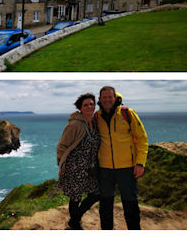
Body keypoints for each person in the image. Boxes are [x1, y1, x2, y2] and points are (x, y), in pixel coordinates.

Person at [95, 86, 149, 230]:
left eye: (110, 97)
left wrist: (140, 163)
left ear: (115, 98)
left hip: (127, 168)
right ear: (99, 99)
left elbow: (142, 139)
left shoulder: (127, 113)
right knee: (105, 207)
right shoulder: (96, 116)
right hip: (105, 169)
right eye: (104, 97)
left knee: (130, 205)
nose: (107, 100)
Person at [57, 93, 100, 230]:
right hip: (75, 168)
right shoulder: (75, 125)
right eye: (86, 104)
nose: (89, 106)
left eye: (91, 104)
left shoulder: (95, 123)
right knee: (75, 198)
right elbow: (62, 146)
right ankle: (75, 225)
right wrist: (61, 164)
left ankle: (74, 220)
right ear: (80, 108)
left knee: (96, 194)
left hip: (90, 168)